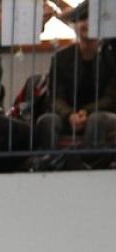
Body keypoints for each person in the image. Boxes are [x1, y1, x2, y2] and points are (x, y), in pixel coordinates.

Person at [34, 3, 116, 162]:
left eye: (92, 19)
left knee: (96, 120)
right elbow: (55, 97)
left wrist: (85, 112)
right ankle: (49, 163)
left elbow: (110, 98)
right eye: (82, 19)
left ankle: (89, 165)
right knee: (47, 120)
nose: (87, 24)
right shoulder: (61, 58)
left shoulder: (111, 57)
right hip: (68, 115)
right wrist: (70, 114)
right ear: (74, 25)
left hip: (103, 114)